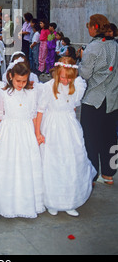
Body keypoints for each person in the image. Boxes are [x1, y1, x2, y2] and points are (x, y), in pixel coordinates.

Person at [35, 57, 97, 216]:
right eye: (62, 77)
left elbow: (73, 107)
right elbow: (40, 111)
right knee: (53, 163)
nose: (65, 80)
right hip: (52, 127)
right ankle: (52, 201)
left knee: (70, 162)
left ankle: (70, 201)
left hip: (69, 127)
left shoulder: (76, 86)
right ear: (56, 74)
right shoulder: (48, 87)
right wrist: (38, 133)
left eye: (69, 78)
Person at [0, 59, 44, 219]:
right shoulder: (3, 93)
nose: (21, 84)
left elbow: (34, 115)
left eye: (24, 81)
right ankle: (7, 203)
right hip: (9, 131)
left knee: (25, 165)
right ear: (10, 77)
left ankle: (25, 202)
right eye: (18, 81)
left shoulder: (32, 92)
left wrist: (37, 133)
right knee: (8, 165)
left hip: (26, 131)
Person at [79, 14, 118, 186]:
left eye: (88, 25)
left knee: (91, 138)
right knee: (110, 138)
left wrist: (81, 58)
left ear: (95, 27)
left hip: (94, 99)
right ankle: (109, 174)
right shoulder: (116, 45)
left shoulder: (93, 48)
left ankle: (92, 175)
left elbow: (85, 74)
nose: (88, 28)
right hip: (113, 99)